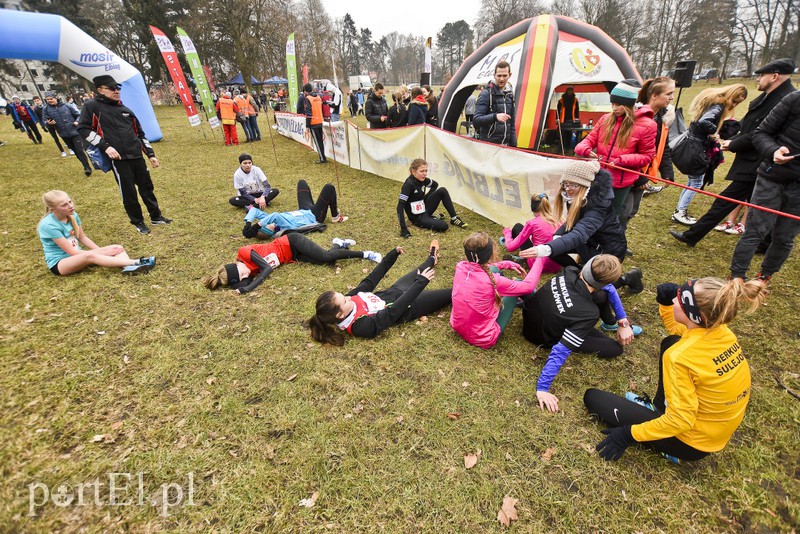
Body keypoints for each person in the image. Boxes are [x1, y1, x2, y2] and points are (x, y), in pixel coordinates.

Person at [584, 276, 767, 462]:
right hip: (714, 431)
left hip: (689, 442)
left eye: (679, 300)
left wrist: (628, 434)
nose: (673, 300)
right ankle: (658, 409)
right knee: (671, 342)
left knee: (593, 398)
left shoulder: (680, 357)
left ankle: (668, 447)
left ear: (696, 315)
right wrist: (665, 305)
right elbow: (680, 330)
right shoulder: (719, 329)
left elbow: (681, 420)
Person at [671, 59, 796, 247]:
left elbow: (761, 133)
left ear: (774, 76)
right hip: (754, 160)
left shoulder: (785, 99)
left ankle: (694, 235)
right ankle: (694, 235)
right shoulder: (768, 97)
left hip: (763, 162)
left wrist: (734, 143)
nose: (758, 80)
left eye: (762, 75)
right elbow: (750, 125)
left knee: (737, 201)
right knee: (733, 201)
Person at [523, 254, 635, 412]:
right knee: (615, 349)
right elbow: (561, 350)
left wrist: (623, 322)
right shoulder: (589, 313)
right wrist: (542, 388)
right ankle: (607, 325)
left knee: (602, 295)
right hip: (541, 335)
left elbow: (608, 287)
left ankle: (610, 323)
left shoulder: (570, 271)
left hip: (533, 315)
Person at [518, 160, 643, 293]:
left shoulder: (598, 205)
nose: (568, 188)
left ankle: (628, 278)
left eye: (573, 185)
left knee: (596, 292)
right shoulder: (577, 196)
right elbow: (573, 220)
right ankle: (581, 274)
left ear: (585, 185)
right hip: (589, 243)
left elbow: (580, 232)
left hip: (607, 251)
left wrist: (547, 248)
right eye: (566, 184)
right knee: (556, 250)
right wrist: (557, 236)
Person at [77, 75, 171, 235]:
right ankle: (138, 222)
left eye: (118, 88)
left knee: (147, 187)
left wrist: (150, 154)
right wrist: (105, 147)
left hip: (136, 155)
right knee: (129, 192)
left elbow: (140, 134)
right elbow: (83, 129)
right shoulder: (92, 106)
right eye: (112, 88)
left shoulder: (125, 109)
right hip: (118, 159)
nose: (116, 91)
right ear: (100, 90)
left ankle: (156, 216)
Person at [309, 243, 451, 344]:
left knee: (423, 267)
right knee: (451, 294)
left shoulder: (348, 301)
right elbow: (393, 312)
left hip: (395, 290)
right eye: (344, 301)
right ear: (340, 315)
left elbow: (370, 281)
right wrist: (420, 283)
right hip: (410, 306)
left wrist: (391, 256)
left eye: (343, 295)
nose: (348, 297)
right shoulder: (359, 326)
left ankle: (432, 258)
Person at [728, 87, 800, 283]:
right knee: (755, 230)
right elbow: (760, 133)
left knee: (785, 237)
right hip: (772, 177)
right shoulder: (794, 100)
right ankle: (736, 277)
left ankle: (763, 278)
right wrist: (774, 151)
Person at [574, 80, 656, 216]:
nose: (614, 108)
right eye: (612, 104)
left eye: (619, 105)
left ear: (630, 104)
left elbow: (647, 156)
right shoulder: (605, 119)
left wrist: (623, 160)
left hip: (621, 182)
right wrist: (584, 149)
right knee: (591, 212)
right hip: (598, 177)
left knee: (611, 216)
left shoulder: (647, 125)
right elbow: (587, 141)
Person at [669, 84, 748, 225]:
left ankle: (679, 211)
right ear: (730, 95)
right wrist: (714, 133)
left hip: (695, 144)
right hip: (696, 147)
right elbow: (704, 121)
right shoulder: (719, 106)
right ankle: (680, 211)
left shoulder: (715, 102)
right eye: (734, 101)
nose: (734, 105)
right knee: (696, 182)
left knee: (692, 181)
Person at [203, 234, 380, 294]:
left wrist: (247, 289)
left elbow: (267, 268)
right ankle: (339, 243)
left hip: (292, 242)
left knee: (326, 256)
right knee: (329, 260)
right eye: (241, 279)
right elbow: (244, 281)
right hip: (293, 256)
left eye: (241, 273)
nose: (245, 276)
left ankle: (366, 254)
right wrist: (239, 286)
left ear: (235, 264)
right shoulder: (244, 271)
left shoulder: (244, 252)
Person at [451, 232, 540, 349]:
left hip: (458, 326)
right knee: (518, 283)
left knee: (493, 270)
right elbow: (528, 286)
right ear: (490, 253)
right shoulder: (494, 281)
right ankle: (537, 306)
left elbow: (482, 267)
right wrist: (540, 259)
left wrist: (504, 264)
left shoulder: (460, 266)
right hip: (483, 338)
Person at [38, 190, 155, 276]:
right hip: (60, 264)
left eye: (70, 201)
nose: (71, 206)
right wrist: (101, 253)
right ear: (53, 209)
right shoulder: (48, 225)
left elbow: (82, 238)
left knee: (116, 247)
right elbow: (72, 252)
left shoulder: (73, 215)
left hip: (79, 256)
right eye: (64, 205)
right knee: (90, 255)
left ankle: (128, 267)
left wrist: (105, 252)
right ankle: (136, 262)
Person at [618, 77, 676, 236]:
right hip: (628, 173)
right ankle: (611, 245)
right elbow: (625, 150)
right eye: (669, 93)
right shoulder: (636, 117)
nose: (671, 98)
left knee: (632, 210)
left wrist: (667, 172)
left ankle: (619, 241)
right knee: (622, 211)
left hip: (642, 172)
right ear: (654, 96)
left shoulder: (663, 118)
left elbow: (662, 147)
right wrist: (640, 178)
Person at [243, 179, 348, 238]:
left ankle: (332, 213)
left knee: (301, 182)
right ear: (271, 231)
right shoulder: (283, 226)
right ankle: (336, 217)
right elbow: (275, 216)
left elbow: (253, 210)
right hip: (314, 216)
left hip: (303, 209)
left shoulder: (268, 219)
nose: (267, 223)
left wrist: (248, 223)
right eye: (268, 226)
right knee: (329, 187)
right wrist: (257, 226)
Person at [397, 158, 468, 237]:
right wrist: (404, 229)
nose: (425, 174)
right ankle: (431, 218)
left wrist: (425, 198)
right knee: (443, 226)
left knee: (442, 190)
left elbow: (435, 185)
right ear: (413, 171)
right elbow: (399, 207)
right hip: (418, 218)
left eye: (426, 171)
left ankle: (454, 219)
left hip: (425, 209)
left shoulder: (423, 180)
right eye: (422, 171)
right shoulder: (409, 184)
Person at [502, 193, 562, 275]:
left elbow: (510, 247)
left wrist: (507, 233)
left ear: (532, 208)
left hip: (537, 264)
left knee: (518, 227)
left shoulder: (532, 223)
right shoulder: (560, 219)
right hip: (557, 265)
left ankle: (519, 256)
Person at [42, 91, 93, 176]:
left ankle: (87, 168)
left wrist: (77, 121)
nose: (49, 101)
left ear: (56, 98)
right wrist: (48, 123)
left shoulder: (67, 106)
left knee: (79, 150)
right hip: (63, 133)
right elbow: (44, 120)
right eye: (47, 99)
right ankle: (85, 165)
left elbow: (79, 115)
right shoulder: (46, 109)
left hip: (75, 131)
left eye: (51, 99)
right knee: (75, 151)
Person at [473, 61, 516, 146]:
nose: (501, 79)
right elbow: (476, 120)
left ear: (510, 75)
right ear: (494, 75)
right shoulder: (486, 94)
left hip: (505, 146)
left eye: (505, 76)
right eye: (499, 76)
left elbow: (512, 125)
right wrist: (495, 117)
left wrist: (514, 146)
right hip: (488, 146)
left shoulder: (510, 94)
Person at [302, 83, 327, 164]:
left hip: (313, 123)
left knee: (317, 142)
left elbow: (308, 113)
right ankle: (323, 156)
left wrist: (307, 126)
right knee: (320, 141)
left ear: (305, 91)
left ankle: (322, 158)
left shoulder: (308, 98)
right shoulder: (318, 97)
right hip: (320, 121)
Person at [557, 86, 580, 151]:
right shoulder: (561, 100)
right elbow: (558, 110)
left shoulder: (575, 100)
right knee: (562, 134)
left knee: (570, 134)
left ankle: (568, 147)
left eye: (571, 90)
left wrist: (577, 118)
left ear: (573, 91)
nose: (570, 92)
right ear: (566, 91)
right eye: (569, 90)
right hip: (563, 120)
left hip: (571, 120)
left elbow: (577, 110)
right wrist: (557, 119)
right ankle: (561, 147)